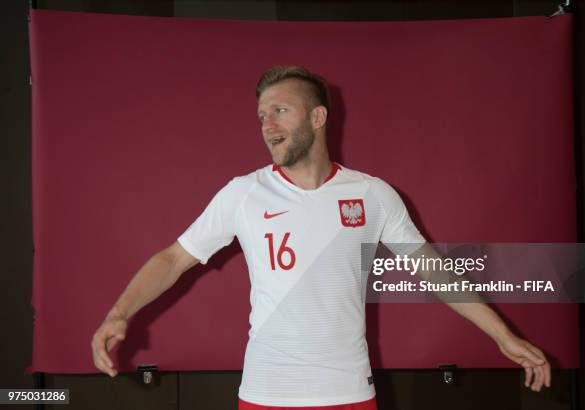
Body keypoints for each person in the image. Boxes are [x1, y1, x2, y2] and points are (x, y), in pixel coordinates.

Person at [91, 66, 551, 409]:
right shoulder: (244, 193)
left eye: (279, 110)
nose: (266, 124)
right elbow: (173, 259)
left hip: (349, 393)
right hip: (266, 394)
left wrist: (502, 336)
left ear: (317, 117)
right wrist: (119, 312)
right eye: (261, 115)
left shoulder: (373, 194)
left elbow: (432, 270)